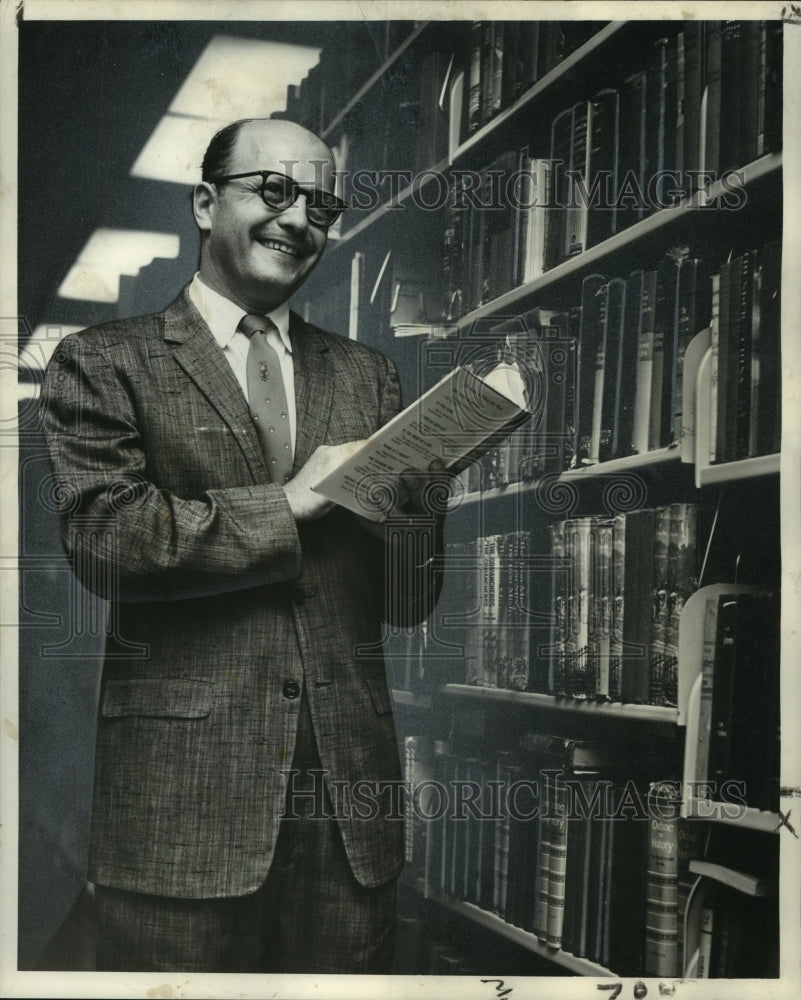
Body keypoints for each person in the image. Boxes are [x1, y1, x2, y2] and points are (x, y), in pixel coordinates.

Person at [39, 117, 445, 974]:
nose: (299, 219)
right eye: (274, 190)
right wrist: (290, 504)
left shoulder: (369, 376)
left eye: (321, 203)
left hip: (347, 826)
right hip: (180, 820)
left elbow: (409, 605)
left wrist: (417, 507)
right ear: (202, 202)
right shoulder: (104, 361)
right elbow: (106, 540)